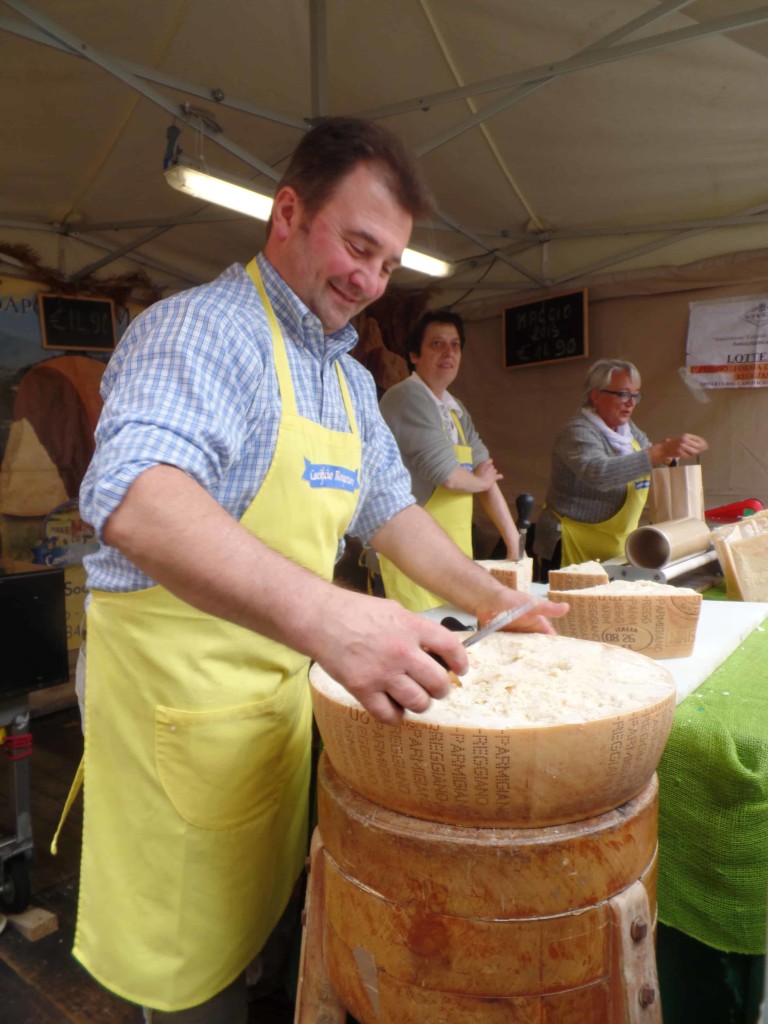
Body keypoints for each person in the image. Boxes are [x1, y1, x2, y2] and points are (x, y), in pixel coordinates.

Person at [66, 116, 567, 1023]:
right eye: (358, 246)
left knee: (276, 948)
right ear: (288, 213)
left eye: (387, 265)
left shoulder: (341, 375)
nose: (369, 281)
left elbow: (393, 512)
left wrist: (500, 600)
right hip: (182, 718)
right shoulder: (202, 331)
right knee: (195, 991)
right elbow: (136, 497)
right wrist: (337, 621)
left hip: (277, 716)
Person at [378, 310, 521, 610]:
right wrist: (479, 479)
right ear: (414, 355)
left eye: (455, 345)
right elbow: (449, 476)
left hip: (450, 557)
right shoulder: (406, 397)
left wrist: (514, 545)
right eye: (437, 344)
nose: (449, 353)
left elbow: (487, 478)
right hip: (410, 555)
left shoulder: (456, 410)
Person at [534, 358, 708, 578]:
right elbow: (601, 474)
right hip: (571, 542)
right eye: (623, 394)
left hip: (615, 542)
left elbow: (648, 457)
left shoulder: (627, 429)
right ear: (595, 395)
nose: (631, 403)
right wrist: (658, 452)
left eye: (636, 395)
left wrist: (669, 457)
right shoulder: (577, 432)